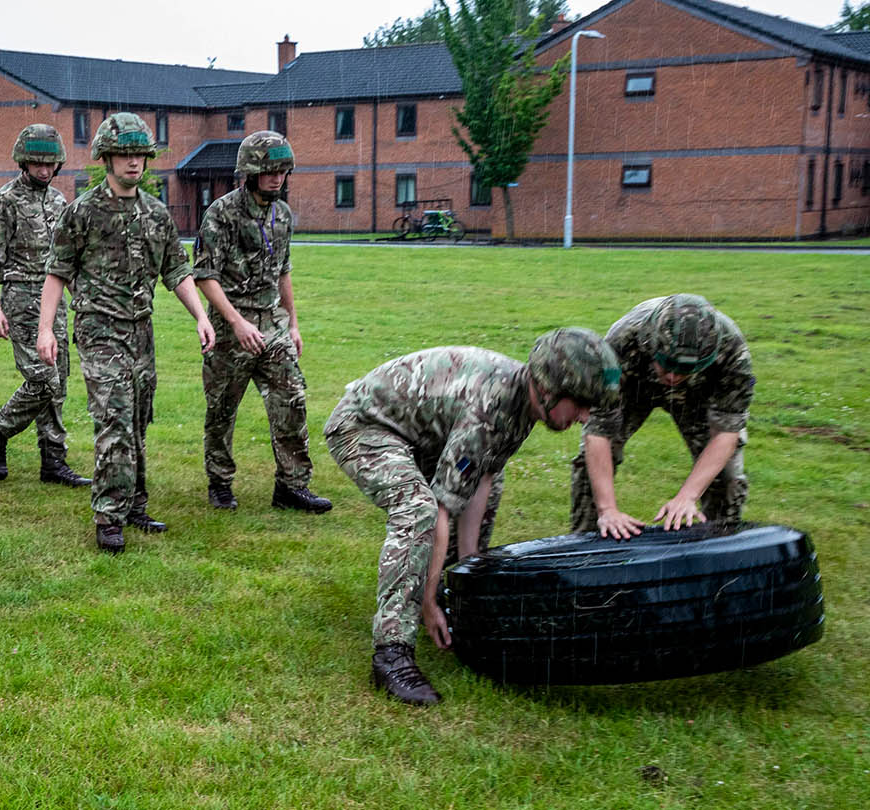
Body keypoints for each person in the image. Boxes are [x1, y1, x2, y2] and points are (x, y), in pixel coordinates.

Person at [324, 329, 621, 705]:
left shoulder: (521, 405)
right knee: (419, 510)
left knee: (486, 489)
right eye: (579, 405)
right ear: (547, 390)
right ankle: (392, 651)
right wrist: (427, 602)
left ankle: (458, 600)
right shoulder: (491, 407)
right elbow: (443, 509)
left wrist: (468, 569)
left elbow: (480, 479)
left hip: (422, 434)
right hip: (363, 427)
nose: (584, 417)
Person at [38, 112, 216, 553]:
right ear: (106, 158)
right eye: (124, 154)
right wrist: (45, 329)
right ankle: (108, 516)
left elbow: (176, 271)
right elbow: (57, 273)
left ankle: (135, 504)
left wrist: (201, 316)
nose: (133, 162)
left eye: (139, 154)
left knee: (137, 420)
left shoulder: (157, 214)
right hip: (99, 329)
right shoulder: (82, 211)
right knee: (114, 418)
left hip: (142, 333)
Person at [194, 131, 330, 514]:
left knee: (292, 400)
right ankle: (220, 482)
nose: (276, 178)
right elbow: (205, 275)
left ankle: (291, 486)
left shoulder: (282, 215)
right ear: (249, 172)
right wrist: (236, 323)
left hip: (272, 325)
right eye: (268, 171)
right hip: (230, 327)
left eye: (282, 171)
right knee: (222, 409)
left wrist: (293, 324)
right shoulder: (221, 214)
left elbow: (283, 272)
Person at [570, 294, 754, 538]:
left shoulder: (733, 352)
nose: (672, 377)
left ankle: (719, 543)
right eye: (666, 365)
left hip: (698, 394)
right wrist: (608, 509)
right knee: (590, 465)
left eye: (683, 370)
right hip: (634, 386)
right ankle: (586, 543)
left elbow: (726, 432)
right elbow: (598, 430)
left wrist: (686, 497)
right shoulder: (622, 342)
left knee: (727, 476)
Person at [0, 124, 89, 488]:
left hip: (55, 300)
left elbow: (67, 258)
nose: (44, 170)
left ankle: (53, 461)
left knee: (60, 383)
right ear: (23, 161)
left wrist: (80, 297)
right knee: (43, 379)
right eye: (37, 163)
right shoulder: (5, 201)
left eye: (50, 164)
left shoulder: (59, 202)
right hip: (21, 298)